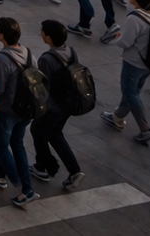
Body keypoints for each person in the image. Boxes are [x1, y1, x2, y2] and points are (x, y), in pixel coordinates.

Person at [0, 16, 42, 207]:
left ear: (1, 36)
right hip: (26, 109)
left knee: (0, 143)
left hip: (7, 109)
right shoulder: (28, 52)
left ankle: (22, 185)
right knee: (17, 144)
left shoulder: (2, 58)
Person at [32, 19, 87, 188]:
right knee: (54, 133)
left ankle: (46, 166)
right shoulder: (71, 51)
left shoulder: (46, 59)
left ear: (48, 38)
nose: (41, 33)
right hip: (68, 103)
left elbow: (42, 87)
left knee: (37, 130)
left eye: (42, 32)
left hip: (53, 106)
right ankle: (74, 171)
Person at [103, 0, 150, 145]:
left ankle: (145, 129)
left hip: (134, 62)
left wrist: (117, 37)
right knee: (134, 91)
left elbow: (125, 42)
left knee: (129, 92)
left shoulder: (134, 18)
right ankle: (117, 116)